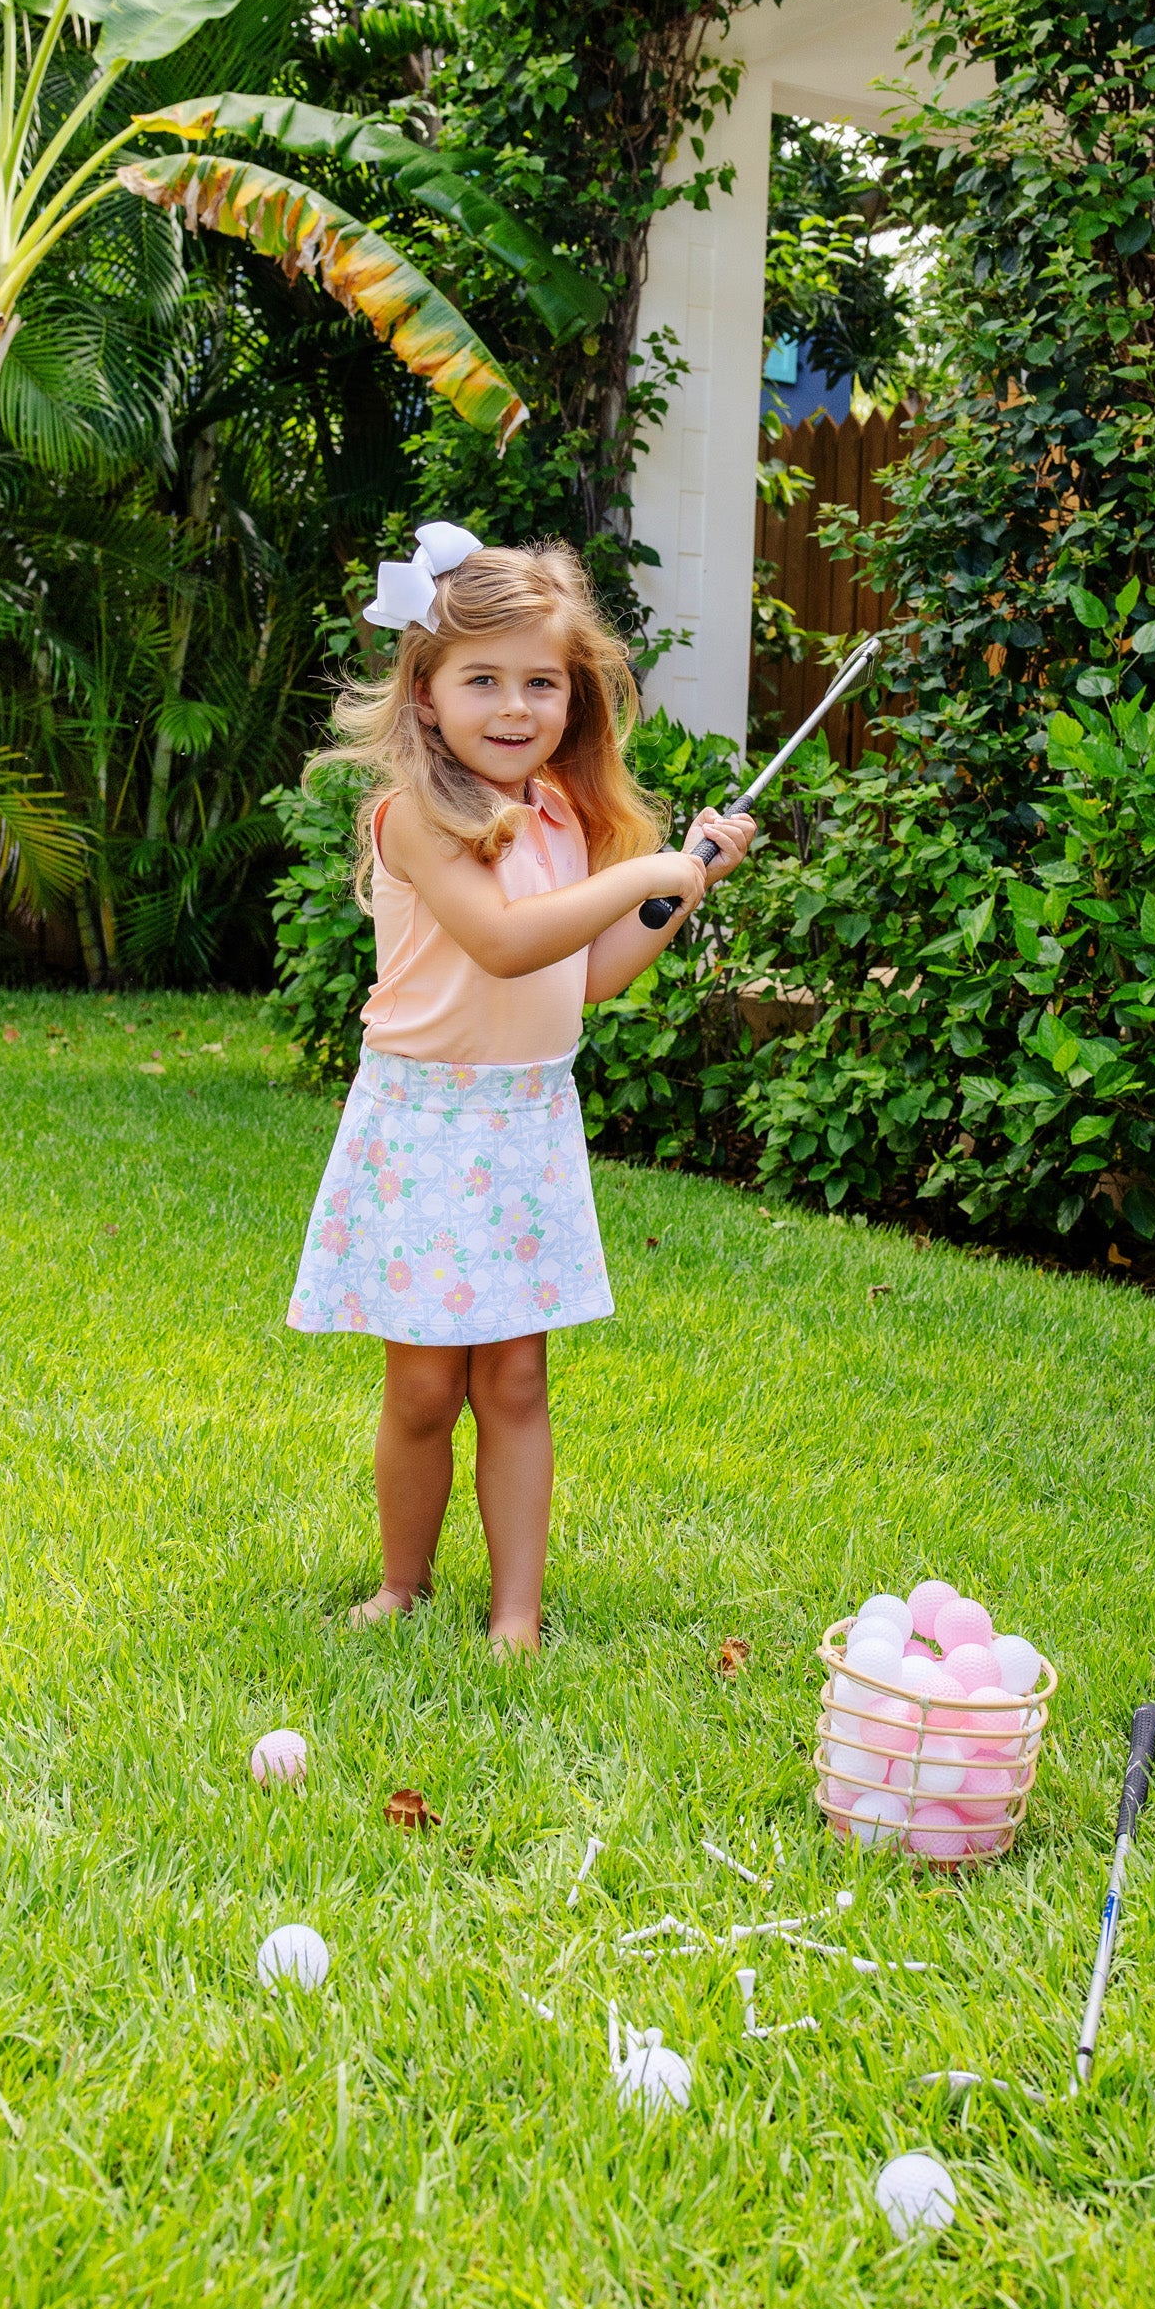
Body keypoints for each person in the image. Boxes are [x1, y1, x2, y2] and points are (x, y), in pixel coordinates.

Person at [286, 522, 755, 1654]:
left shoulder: (553, 814)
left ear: (572, 699)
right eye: (481, 679)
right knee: (422, 1392)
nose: (513, 705)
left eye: (539, 682)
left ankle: (515, 1615)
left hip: (525, 1126)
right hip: (424, 1125)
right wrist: (643, 870)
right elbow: (500, 943)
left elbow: (586, 975)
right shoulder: (415, 817)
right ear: (427, 691)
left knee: (516, 1379)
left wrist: (677, 886)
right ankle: (401, 1586)